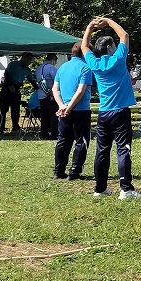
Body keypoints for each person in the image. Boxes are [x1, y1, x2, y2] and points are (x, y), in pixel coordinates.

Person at [81, 15, 141, 200]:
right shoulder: (118, 59)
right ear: (110, 47)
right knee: (123, 149)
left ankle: (100, 189)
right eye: (114, 45)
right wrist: (108, 21)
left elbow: (84, 46)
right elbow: (124, 35)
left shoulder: (94, 63)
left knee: (102, 150)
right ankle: (126, 189)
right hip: (120, 112)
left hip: (104, 113)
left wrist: (90, 27)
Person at [52, 43, 92, 181]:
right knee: (81, 141)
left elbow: (55, 89)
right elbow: (80, 91)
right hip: (81, 110)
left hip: (64, 110)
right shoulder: (85, 68)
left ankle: (58, 171)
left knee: (63, 140)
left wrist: (62, 106)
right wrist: (69, 107)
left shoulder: (62, 67)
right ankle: (74, 171)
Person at [0, 53, 35, 135]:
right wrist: (10, 85)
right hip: (7, 87)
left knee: (16, 110)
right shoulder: (13, 64)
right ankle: (0, 128)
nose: (29, 62)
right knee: (3, 109)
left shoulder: (27, 70)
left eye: (30, 61)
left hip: (16, 89)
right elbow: (6, 74)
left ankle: (15, 127)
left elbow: (31, 80)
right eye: (29, 60)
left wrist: (38, 89)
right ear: (24, 58)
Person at [34, 53, 59, 139]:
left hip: (41, 95)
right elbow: (57, 79)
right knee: (54, 115)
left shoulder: (39, 68)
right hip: (50, 95)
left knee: (44, 115)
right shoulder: (51, 68)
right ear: (53, 60)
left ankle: (44, 133)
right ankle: (54, 133)